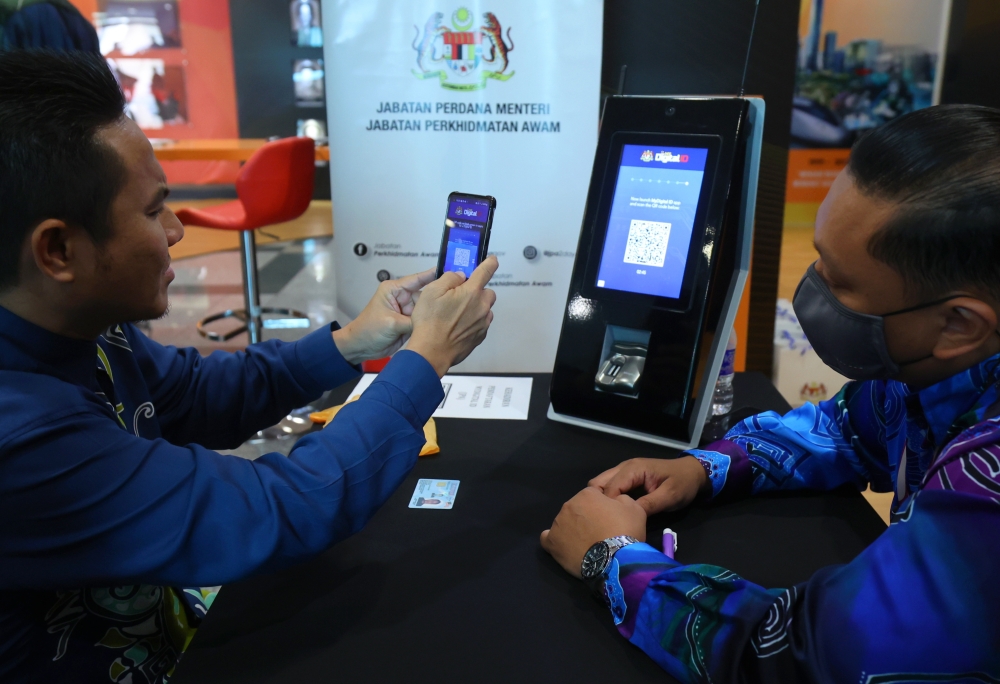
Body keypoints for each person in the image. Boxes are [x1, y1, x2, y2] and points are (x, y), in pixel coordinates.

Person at [0, 50, 498, 683]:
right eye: (154, 211)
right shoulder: (22, 441)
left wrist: (349, 342)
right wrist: (426, 359)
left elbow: (193, 396)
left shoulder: (81, 324)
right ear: (58, 250)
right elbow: (276, 508)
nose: (178, 229)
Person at [541, 104, 1000, 681]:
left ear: (960, 324)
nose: (813, 290)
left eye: (839, 280)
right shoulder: (942, 371)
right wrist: (706, 469)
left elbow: (801, 656)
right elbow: (843, 430)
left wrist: (612, 559)